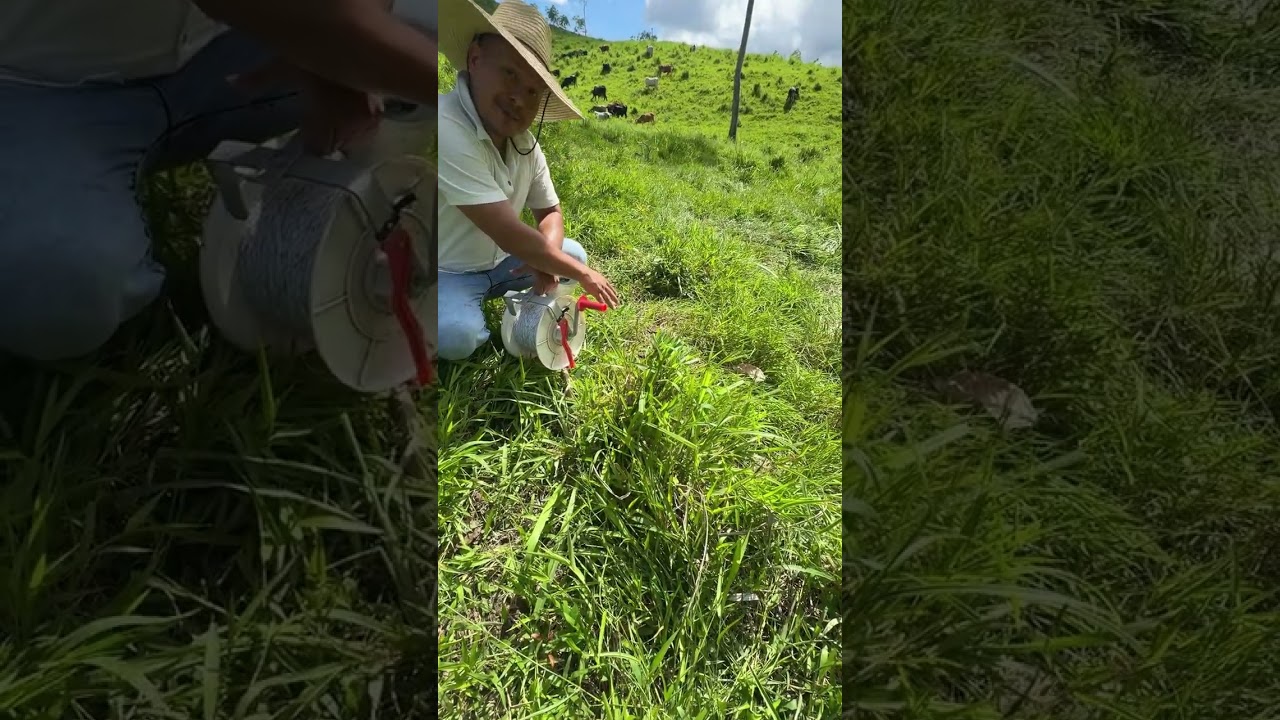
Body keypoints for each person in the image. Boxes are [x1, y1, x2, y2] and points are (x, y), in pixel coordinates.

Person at [0, 0, 439, 362]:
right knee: (56, 287)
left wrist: (331, 51)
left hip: (229, 48)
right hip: (34, 82)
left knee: (460, 25)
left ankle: (349, 166)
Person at [435, 0, 621, 362]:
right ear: (475, 60)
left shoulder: (525, 144)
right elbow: (506, 231)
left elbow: (549, 210)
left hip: (505, 263)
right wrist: (581, 273)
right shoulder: (445, 126)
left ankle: (526, 302)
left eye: (534, 90)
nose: (520, 97)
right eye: (509, 74)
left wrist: (547, 261)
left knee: (570, 251)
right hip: (446, 270)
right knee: (458, 336)